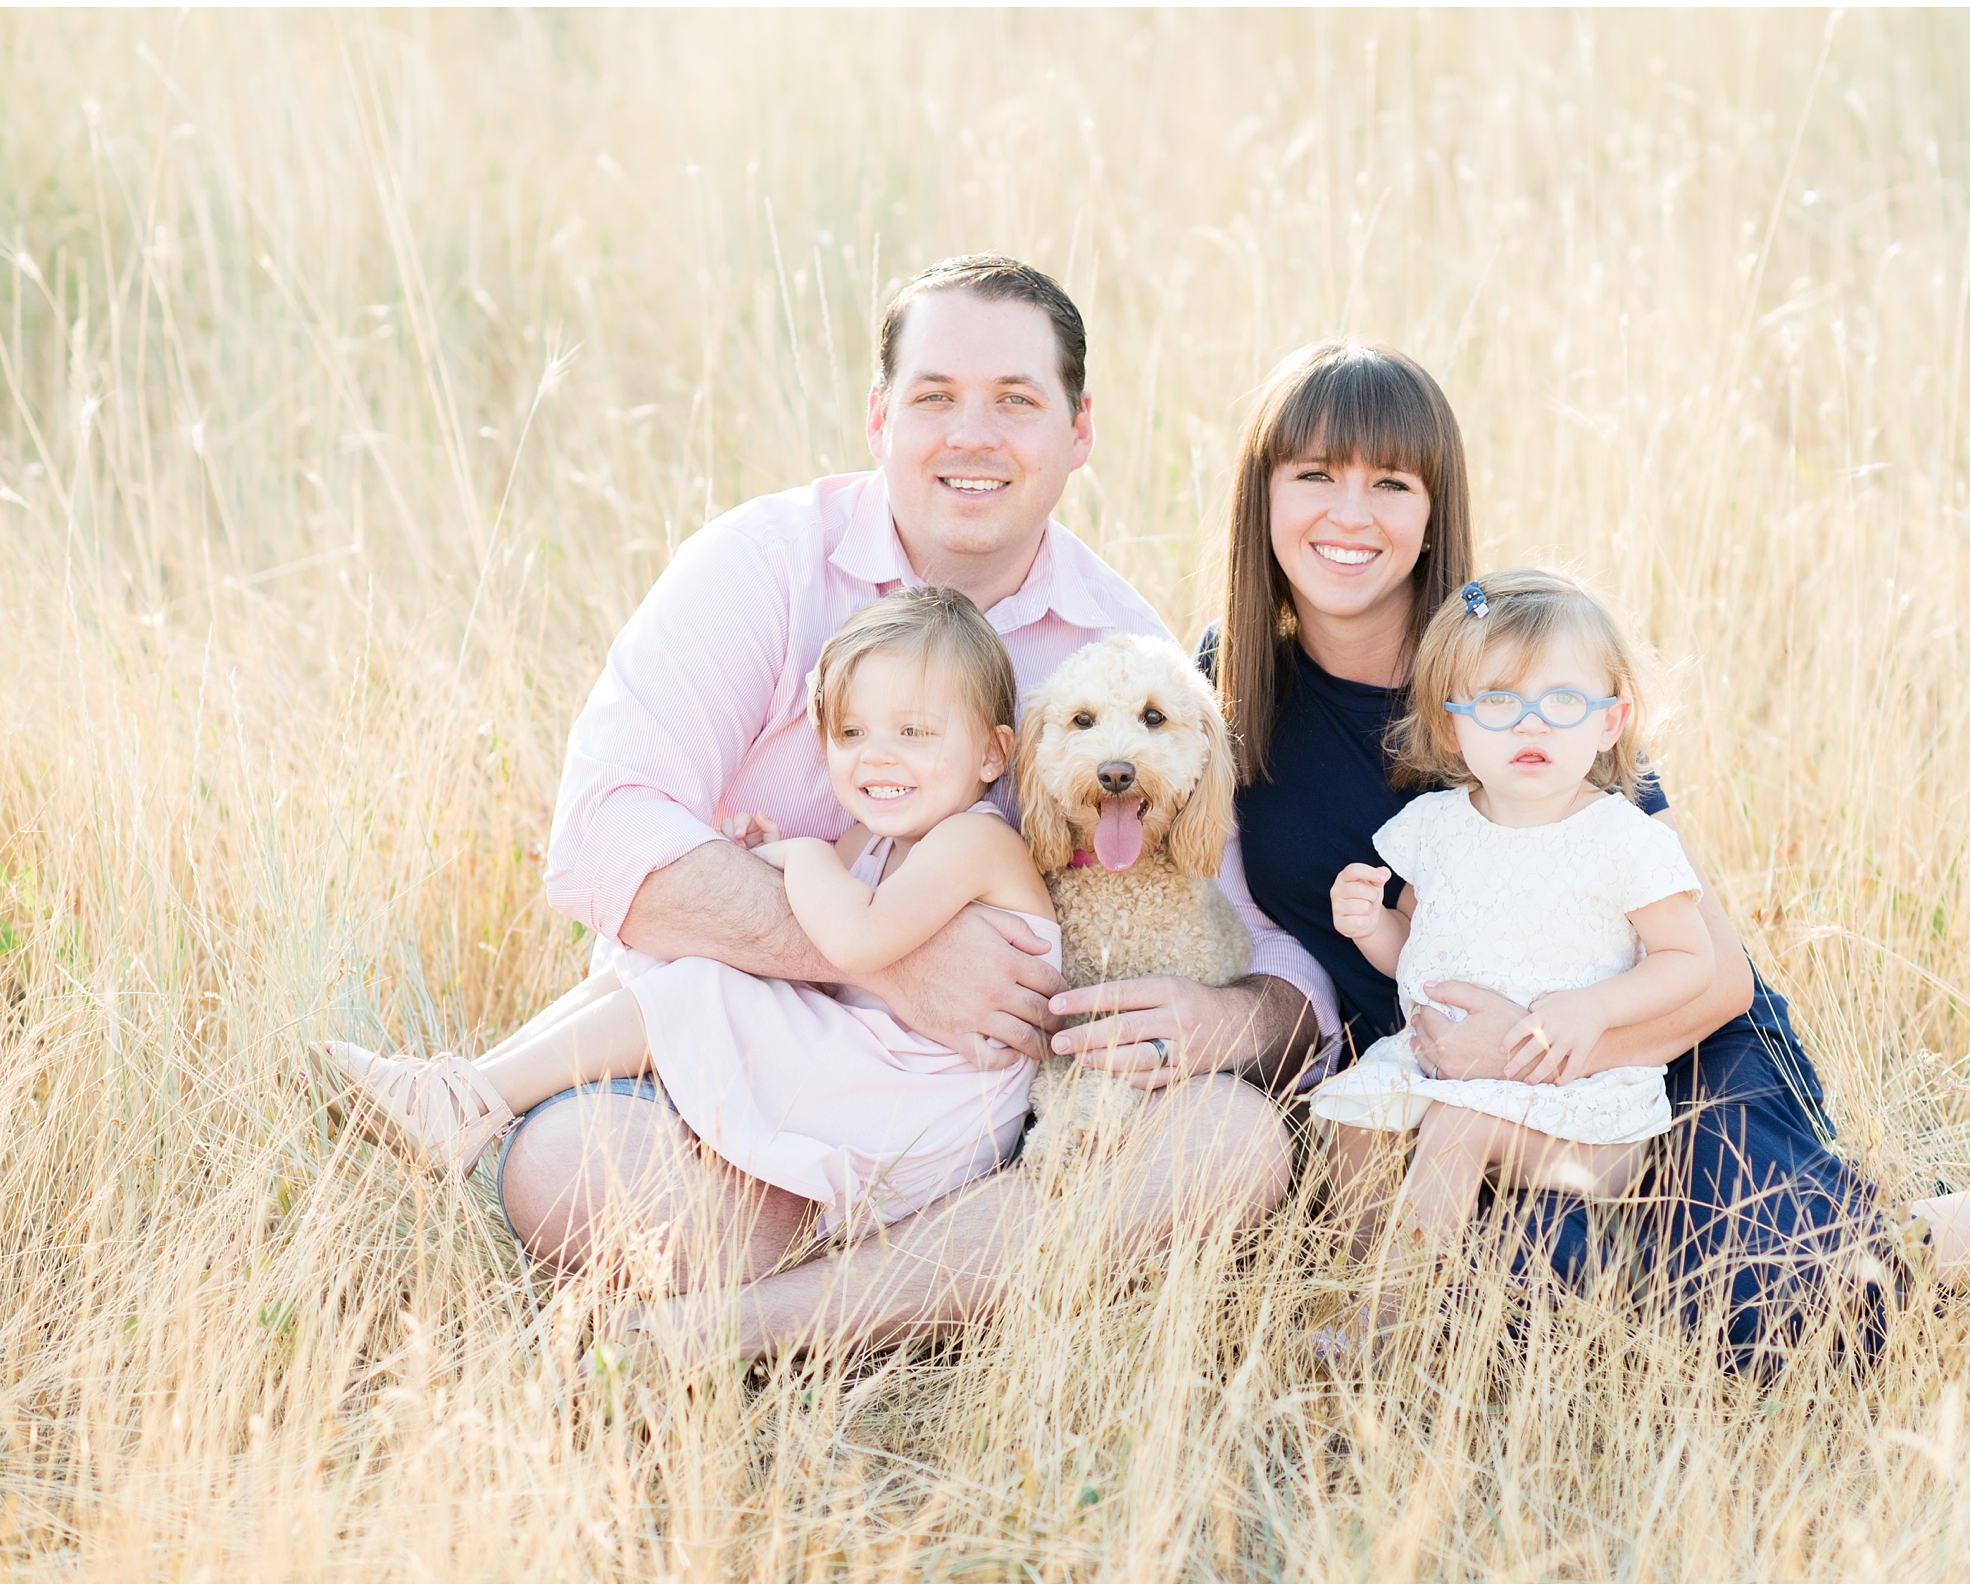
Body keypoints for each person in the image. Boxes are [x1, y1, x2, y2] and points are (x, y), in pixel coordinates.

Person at [1204, 339, 1970, 1374]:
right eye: (1313, 475)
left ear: (1433, 505)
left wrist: (1544, 1041)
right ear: (1261, 494)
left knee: (1788, 1320)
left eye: (1389, 483)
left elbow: (1711, 974)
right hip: (1459, 1101)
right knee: (1550, 1308)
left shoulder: (1518, 667)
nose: (1349, 514)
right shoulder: (1216, 693)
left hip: (1660, 1043)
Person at [470, 255, 1337, 1353]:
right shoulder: (762, 564)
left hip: (965, 1136)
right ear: (880, 416)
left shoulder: (1118, 657)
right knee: (566, 1168)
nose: (970, 435)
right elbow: (603, 839)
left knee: (1231, 1143)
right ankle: (924, 1297)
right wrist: (883, 958)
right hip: (720, 1091)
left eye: (1015, 402)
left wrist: (1232, 1020)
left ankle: (738, 1331)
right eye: (934, 398)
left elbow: (1263, 942)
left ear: (1079, 432)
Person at [316, 588, 1066, 1256]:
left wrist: (798, 856)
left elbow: (852, 937)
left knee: (701, 984)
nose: (878, 758)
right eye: (852, 734)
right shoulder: (872, 841)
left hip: (928, 1109)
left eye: (915, 733)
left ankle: (464, 1102)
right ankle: (459, 1093)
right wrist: (761, 855)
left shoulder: (978, 840)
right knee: (677, 955)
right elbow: (816, 904)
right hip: (878, 1072)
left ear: (994, 754)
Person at [1314, 570, 1713, 1304]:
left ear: (1610, 721)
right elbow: (1422, 956)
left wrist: (1591, 1010)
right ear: (1451, 726)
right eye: (1499, 701)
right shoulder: (1435, 828)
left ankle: (1390, 1327)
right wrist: (1374, 928)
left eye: (1563, 701)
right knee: (1351, 1110)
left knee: (1461, 1125)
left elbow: (1692, 959)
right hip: (1440, 1067)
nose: (1532, 725)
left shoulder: (1620, 838)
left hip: (1585, 1105)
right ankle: (1360, 1280)